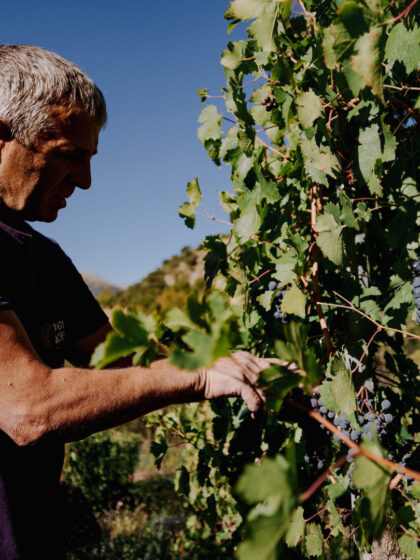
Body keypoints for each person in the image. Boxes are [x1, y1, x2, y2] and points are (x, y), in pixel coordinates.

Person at [0, 45, 275, 559]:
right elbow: (25, 406)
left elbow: (115, 357)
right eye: (69, 154)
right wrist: (191, 377)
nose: (85, 181)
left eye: (90, 158)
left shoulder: (46, 258)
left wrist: (216, 360)